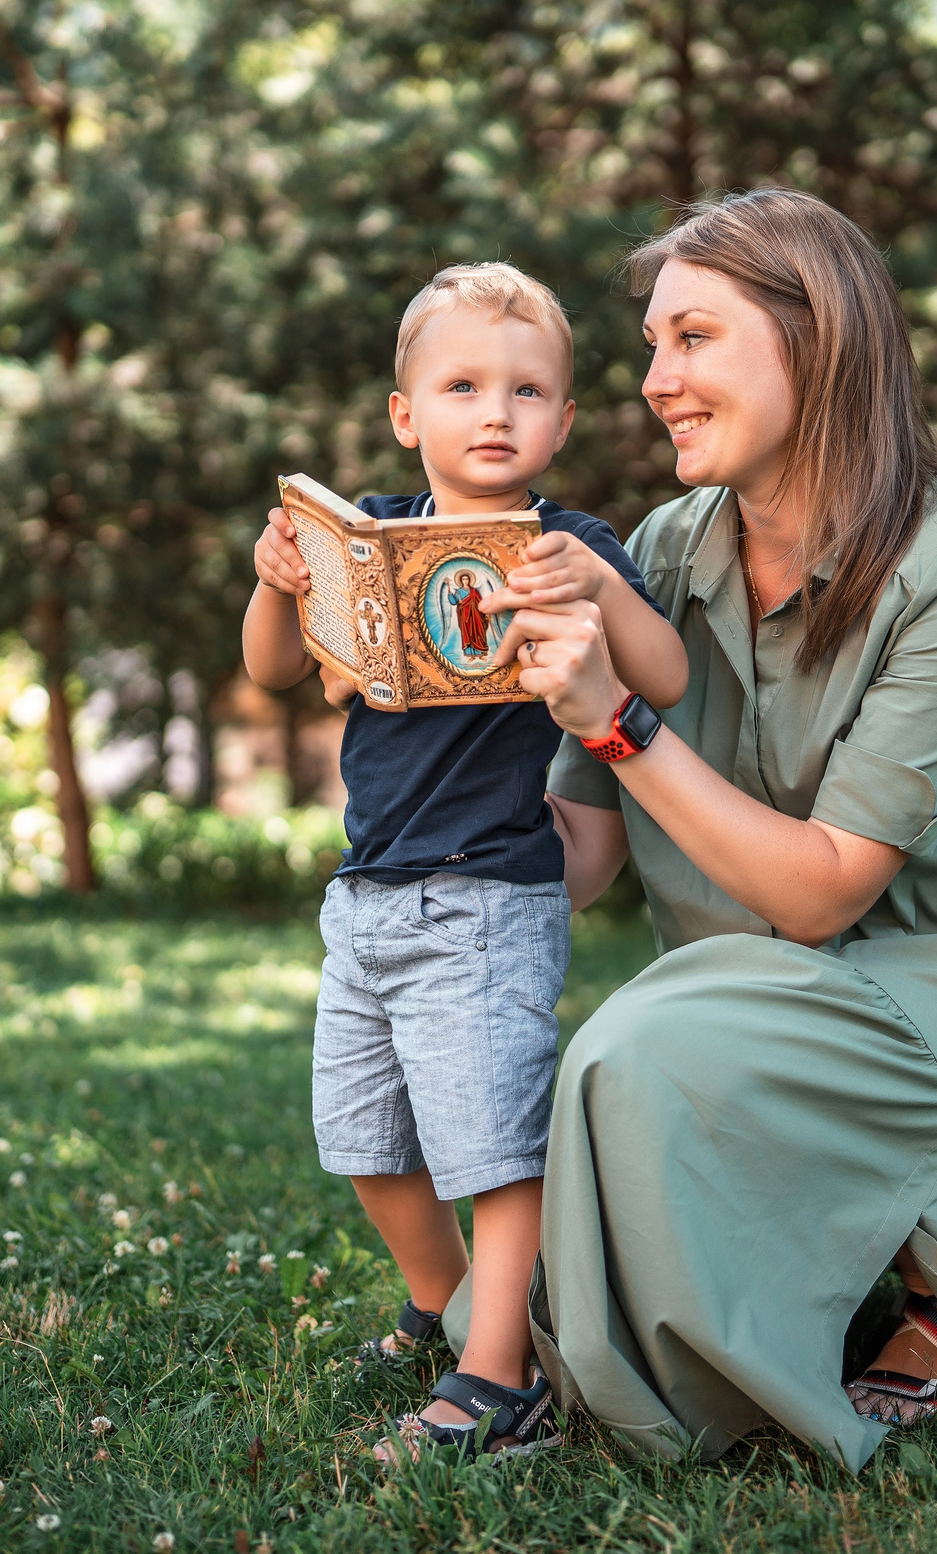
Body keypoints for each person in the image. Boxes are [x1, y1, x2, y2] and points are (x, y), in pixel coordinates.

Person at [481, 191, 937, 1472]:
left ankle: (932, 1304)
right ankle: (904, 1280)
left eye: (694, 339)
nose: (656, 380)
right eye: (653, 346)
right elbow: (589, 854)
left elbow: (825, 892)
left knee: (633, 1053)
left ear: (815, 341)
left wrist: (618, 722)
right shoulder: (659, 552)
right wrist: (418, 833)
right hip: (737, 1009)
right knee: (563, 1154)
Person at [242, 261, 689, 1461]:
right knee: (366, 1143)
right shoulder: (371, 538)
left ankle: (501, 1376)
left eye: (528, 390)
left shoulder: (566, 544)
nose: (496, 412)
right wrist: (275, 584)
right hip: (368, 889)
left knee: (492, 1146)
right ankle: (444, 1306)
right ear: (407, 416)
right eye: (462, 385)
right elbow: (275, 672)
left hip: (489, 892)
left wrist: (594, 586)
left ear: (563, 421)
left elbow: (667, 674)